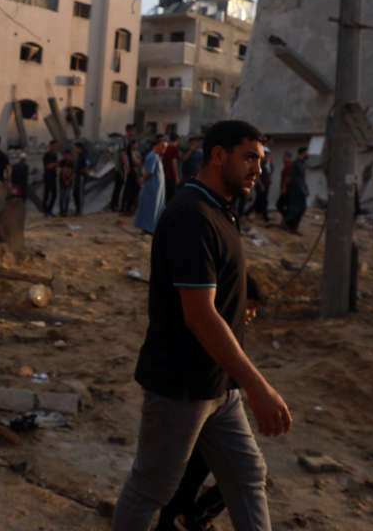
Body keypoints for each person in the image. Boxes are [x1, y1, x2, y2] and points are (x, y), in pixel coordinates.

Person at [112, 120, 291, 531]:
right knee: (150, 490)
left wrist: (241, 299)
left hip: (218, 386)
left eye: (260, 161)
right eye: (249, 158)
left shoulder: (219, 209)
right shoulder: (192, 215)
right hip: (182, 386)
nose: (257, 170)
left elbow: (219, 286)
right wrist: (258, 386)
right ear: (218, 155)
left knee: (247, 476)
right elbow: (199, 315)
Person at [156, 274, 266, 531]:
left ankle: (186, 520)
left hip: (213, 416)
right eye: (249, 306)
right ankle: (187, 520)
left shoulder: (227, 332)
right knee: (178, 482)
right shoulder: (210, 329)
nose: (252, 314)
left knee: (239, 474)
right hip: (196, 415)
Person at [134, 135, 167, 235]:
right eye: (163, 147)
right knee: (151, 208)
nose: (164, 149)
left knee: (156, 208)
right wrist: (142, 179)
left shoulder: (156, 156)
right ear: (157, 146)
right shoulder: (152, 156)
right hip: (152, 188)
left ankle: (151, 228)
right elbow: (148, 172)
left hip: (157, 188)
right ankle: (148, 229)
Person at [283, 147, 309, 233]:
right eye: (306, 152)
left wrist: (306, 188)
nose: (307, 154)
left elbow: (302, 178)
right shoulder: (296, 163)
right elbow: (295, 179)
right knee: (295, 209)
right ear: (303, 153)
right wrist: (303, 189)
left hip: (301, 190)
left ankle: (293, 227)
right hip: (296, 190)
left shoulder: (302, 163)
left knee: (301, 208)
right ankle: (287, 224)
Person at [121, 125, 141, 215]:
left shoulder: (133, 146)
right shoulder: (125, 141)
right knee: (130, 188)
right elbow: (123, 154)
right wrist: (127, 167)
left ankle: (127, 208)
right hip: (130, 169)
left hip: (132, 169)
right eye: (133, 131)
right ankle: (125, 208)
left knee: (131, 188)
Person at [42, 140, 59, 218]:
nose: (56, 147)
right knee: (47, 195)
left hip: (53, 177)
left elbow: (56, 165)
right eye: (55, 146)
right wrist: (55, 164)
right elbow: (47, 166)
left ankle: (49, 210)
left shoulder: (55, 155)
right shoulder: (47, 155)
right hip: (48, 177)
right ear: (51, 146)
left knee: (54, 195)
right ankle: (46, 211)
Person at [161, 132, 181, 200]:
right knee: (171, 196)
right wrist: (177, 177)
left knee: (166, 195)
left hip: (164, 174)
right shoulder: (174, 149)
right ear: (177, 140)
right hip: (171, 176)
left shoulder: (166, 148)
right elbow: (174, 163)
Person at [73, 141, 90, 215]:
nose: (75, 149)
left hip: (81, 176)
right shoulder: (79, 155)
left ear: (79, 148)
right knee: (76, 193)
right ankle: (78, 209)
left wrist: (83, 171)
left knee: (79, 193)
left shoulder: (83, 155)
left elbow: (87, 164)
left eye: (76, 148)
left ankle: (79, 210)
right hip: (77, 176)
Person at [58, 148, 76, 217]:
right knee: (62, 197)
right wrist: (65, 180)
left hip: (69, 182)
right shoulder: (62, 162)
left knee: (67, 196)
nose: (67, 156)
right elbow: (61, 172)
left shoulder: (72, 162)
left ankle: (65, 211)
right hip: (62, 182)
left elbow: (73, 173)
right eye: (66, 155)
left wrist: (69, 180)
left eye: (68, 155)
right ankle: (61, 211)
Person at [275, 151, 292, 219]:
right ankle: (286, 219)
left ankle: (287, 219)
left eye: (284, 157)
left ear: (287, 157)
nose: (283, 158)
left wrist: (284, 188)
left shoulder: (289, 165)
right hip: (286, 189)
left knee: (279, 205)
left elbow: (288, 177)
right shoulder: (286, 165)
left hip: (287, 189)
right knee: (284, 205)